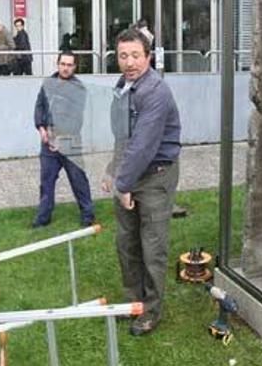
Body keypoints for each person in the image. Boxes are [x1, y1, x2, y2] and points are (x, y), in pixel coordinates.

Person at [102, 27, 181, 336]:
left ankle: (150, 311)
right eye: (123, 56)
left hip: (156, 177)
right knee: (126, 243)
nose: (129, 62)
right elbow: (123, 136)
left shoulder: (156, 91)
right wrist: (113, 169)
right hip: (130, 170)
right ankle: (133, 303)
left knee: (152, 247)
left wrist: (122, 185)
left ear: (148, 56)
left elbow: (144, 145)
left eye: (136, 55)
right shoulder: (123, 86)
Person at [32, 51, 95, 228]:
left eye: (70, 65)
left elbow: (75, 118)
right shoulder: (47, 84)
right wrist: (41, 129)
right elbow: (39, 107)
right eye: (63, 64)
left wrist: (59, 138)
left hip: (69, 142)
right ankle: (43, 218)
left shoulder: (78, 88)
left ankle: (88, 215)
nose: (66, 68)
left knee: (78, 179)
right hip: (48, 144)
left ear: (74, 67)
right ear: (58, 64)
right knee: (46, 181)